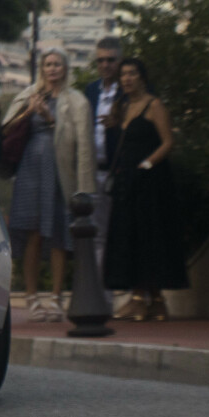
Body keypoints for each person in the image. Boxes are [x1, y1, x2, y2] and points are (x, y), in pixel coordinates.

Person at [2, 48, 95, 322]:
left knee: (57, 232)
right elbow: (6, 129)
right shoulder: (29, 94)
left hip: (58, 170)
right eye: (48, 64)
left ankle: (56, 297)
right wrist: (29, 111)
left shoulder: (75, 100)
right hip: (30, 169)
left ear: (65, 68)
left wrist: (49, 117)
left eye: (57, 64)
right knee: (32, 231)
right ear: (42, 69)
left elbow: (84, 144)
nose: (53, 69)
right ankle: (31, 296)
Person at [103, 57, 187, 321]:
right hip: (127, 181)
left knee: (149, 236)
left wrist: (147, 164)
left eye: (132, 74)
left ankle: (144, 299)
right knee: (130, 236)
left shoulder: (154, 105)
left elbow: (168, 142)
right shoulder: (123, 107)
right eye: (123, 75)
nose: (127, 79)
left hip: (151, 182)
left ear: (142, 77)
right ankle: (151, 300)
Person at [84, 36, 122, 305]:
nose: (106, 65)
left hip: (118, 172)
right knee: (97, 237)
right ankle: (101, 297)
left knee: (120, 234)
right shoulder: (91, 91)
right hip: (92, 172)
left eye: (111, 60)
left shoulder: (129, 90)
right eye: (101, 61)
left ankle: (132, 295)